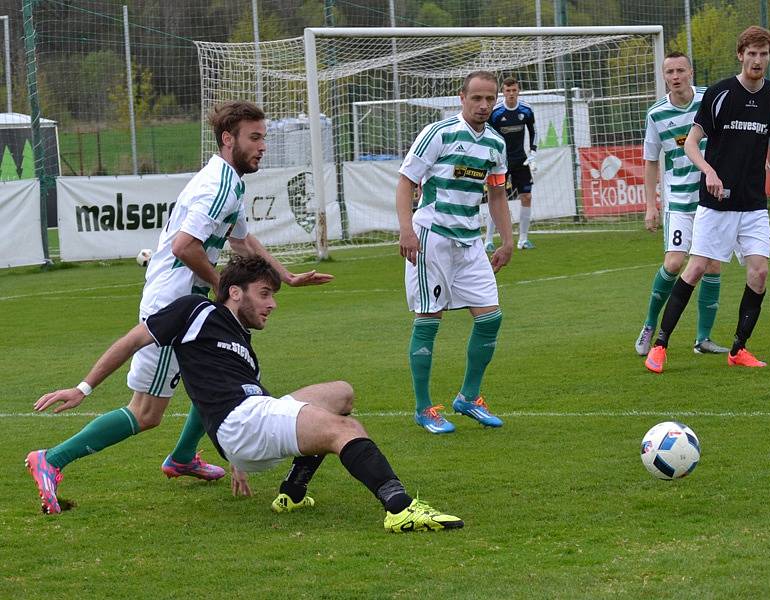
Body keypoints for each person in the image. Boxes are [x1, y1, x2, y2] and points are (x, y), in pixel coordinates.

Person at [25, 100, 333, 510]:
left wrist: (287, 276)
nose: (263, 147)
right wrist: (223, 286)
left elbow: (243, 240)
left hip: (192, 299)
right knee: (147, 412)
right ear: (229, 140)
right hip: (174, 303)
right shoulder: (217, 185)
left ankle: (184, 457)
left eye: (264, 138)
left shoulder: (230, 182)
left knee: (217, 371)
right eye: (254, 138)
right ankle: (51, 458)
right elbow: (185, 247)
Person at [27, 257, 463, 533]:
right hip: (244, 424)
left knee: (341, 395)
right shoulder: (196, 310)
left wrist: (235, 456)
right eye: (265, 294)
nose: (272, 304)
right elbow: (131, 341)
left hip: (250, 421)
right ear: (234, 292)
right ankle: (400, 507)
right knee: (342, 429)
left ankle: (292, 491)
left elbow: (206, 395)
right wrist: (82, 388)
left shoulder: (243, 347)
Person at [645, 26, 770, 373]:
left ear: (769, 57)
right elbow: (690, 143)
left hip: (754, 204)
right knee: (695, 268)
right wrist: (709, 171)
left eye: (763, 54)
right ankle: (661, 345)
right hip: (716, 203)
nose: (757, 60)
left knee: (759, 274)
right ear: (740, 56)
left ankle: (738, 349)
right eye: (752, 54)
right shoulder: (720, 94)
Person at [396, 70, 513, 434]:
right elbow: (406, 182)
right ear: (461, 97)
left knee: (490, 317)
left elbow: (496, 194)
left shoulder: (495, 143)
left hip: (470, 241)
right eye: (476, 98)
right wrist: (405, 228)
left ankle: (468, 397)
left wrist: (507, 240)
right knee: (430, 320)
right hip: (431, 237)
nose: (483, 105)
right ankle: (423, 407)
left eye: (489, 99)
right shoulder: (439, 133)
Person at [634, 52, 729, 357]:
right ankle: (650, 324)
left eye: (680, 70)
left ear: (691, 72)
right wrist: (651, 205)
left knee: (712, 264)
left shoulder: (710, 99)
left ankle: (703, 339)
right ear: (664, 77)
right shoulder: (656, 114)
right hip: (679, 199)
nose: (675, 76)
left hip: (712, 198)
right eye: (669, 72)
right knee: (674, 263)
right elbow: (650, 162)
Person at [485, 76, 538, 251]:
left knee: (527, 196)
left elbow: (533, 131)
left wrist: (533, 153)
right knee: (496, 197)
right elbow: (487, 133)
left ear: (518, 90)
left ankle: (523, 239)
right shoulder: (497, 112)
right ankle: (488, 240)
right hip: (500, 162)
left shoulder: (526, 110)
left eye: (514, 90)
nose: (511, 94)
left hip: (520, 160)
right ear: (503, 92)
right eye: (508, 91)